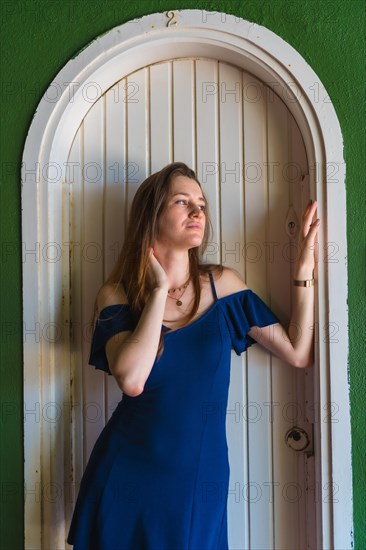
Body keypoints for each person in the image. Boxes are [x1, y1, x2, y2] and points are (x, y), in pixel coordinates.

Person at [67, 162, 320, 549]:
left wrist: (303, 271)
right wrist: (157, 291)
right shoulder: (117, 295)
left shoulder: (223, 286)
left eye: (200, 203)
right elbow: (132, 380)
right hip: (125, 476)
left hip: (199, 481)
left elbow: (298, 351)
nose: (198, 212)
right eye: (182, 202)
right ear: (151, 216)